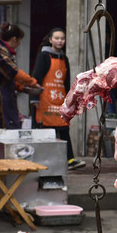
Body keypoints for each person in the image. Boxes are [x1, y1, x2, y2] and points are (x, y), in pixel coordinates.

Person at [0, 23, 41, 160]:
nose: (19, 44)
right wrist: (32, 82)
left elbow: (7, 76)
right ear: (15, 39)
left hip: (3, 96)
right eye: (19, 41)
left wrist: (21, 87)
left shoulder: (4, 51)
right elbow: (12, 71)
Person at [31, 27, 74, 161]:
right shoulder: (44, 56)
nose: (60, 41)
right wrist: (35, 99)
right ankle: (44, 159)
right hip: (44, 100)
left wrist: (69, 101)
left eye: (62, 38)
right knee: (45, 130)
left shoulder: (64, 58)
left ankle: (70, 159)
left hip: (60, 100)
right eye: (56, 38)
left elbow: (66, 83)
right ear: (50, 40)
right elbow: (36, 78)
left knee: (64, 128)